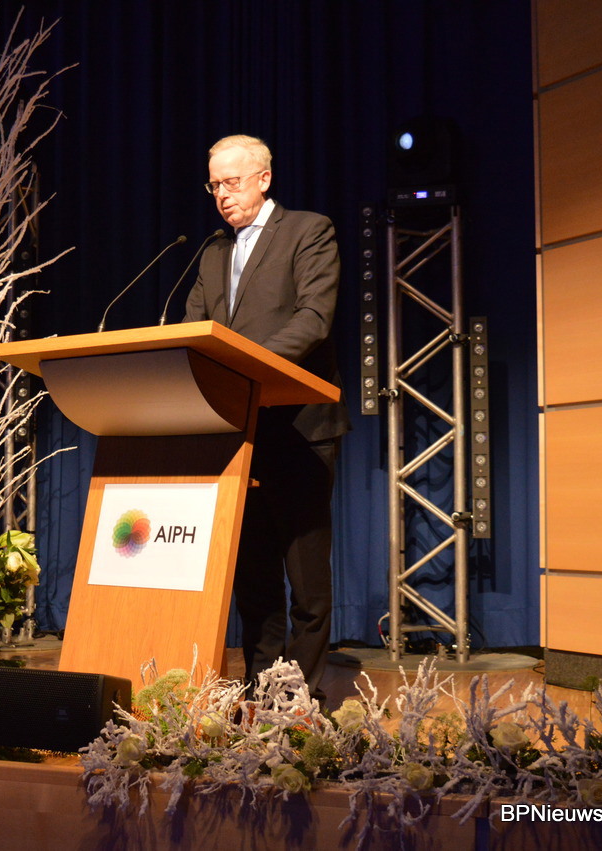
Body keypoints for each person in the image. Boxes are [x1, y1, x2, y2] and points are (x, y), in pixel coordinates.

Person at [183, 134, 350, 702]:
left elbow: (313, 318)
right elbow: (195, 331)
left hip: (299, 428)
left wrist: (249, 368)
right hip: (238, 432)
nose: (222, 195)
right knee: (253, 578)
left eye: (232, 182)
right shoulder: (213, 252)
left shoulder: (308, 231)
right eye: (214, 185)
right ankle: (260, 691)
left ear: (264, 178)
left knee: (306, 579)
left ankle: (298, 699)